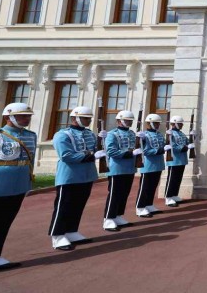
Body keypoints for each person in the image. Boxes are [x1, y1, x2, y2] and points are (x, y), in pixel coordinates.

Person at [49, 106, 100, 251]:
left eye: (89, 118)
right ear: (74, 118)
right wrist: (89, 155)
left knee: (79, 205)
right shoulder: (62, 135)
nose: (88, 120)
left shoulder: (90, 134)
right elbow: (66, 155)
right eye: (85, 118)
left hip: (86, 175)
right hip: (69, 175)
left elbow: (95, 150)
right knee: (64, 206)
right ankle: (57, 235)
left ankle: (72, 231)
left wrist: (95, 152)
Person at [0, 103, 36, 270]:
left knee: (5, 221)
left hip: (18, 185)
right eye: (22, 116)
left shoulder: (31, 136)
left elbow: (30, 160)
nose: (26, 119)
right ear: (8, 117)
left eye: (28, 116)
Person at [102, 110, 139, 231]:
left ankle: (118, 215)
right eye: (126, 120)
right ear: (119, 121)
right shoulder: (112, 134)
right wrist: (129, 153)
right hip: (116, 168)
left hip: (129, 168)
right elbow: (111, 151)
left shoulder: (133, 134)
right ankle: (108, 218)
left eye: (130, 120)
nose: (129, 122)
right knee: (114, 194)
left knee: (124, 194)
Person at [135, 114, 166, 218]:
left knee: (153, 186)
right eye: (155, 123)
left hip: (158, 164)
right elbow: (144, 150)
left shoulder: (160, 135)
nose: (157, 125)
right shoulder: (144, 135)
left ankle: (149, 204)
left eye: (158, 123)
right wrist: (159, 150)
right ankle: (140, 207)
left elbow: (163, 145)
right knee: (145, 187)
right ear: (149, 123)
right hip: (148, 164)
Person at [164, 115, 194, 207]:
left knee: (178, 179)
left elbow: (187, 142)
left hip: (181, 160)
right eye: (180, 124)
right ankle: (168, 197)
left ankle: (174, 194)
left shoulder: (181, 134)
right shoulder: (170, 133)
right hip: (174, 160)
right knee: (171, 179)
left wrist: (192, 136)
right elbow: (172, 147)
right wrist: (184, 148)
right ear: (174, 124)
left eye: (181, 124)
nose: (181, 125)